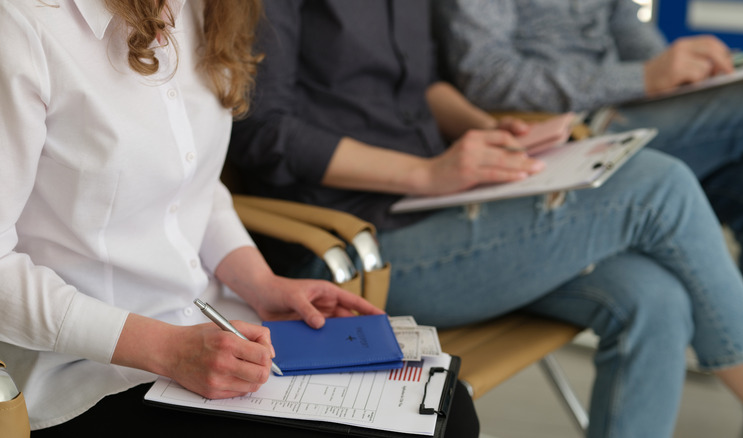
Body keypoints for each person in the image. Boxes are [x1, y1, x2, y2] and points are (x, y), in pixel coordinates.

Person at [227, 1, 743, 437]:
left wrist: (484, 131)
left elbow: (422, 87)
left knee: (655, 296)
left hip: (436, 207)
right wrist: (425, 174)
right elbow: (262, 132)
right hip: (352, 248)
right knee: (657, 185)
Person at [0, 1, 481, 436]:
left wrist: (261, 282)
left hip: (212, 323)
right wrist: (167, 348)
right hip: (86, 370)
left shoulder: (200, 9)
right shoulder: (22, 28)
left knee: (446, 410)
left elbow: (194, 185)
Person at [432, 2, 743, 435]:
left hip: (633, 107)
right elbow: (487, 74)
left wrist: (682, 74)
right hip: (564, 127)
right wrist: (643, 77)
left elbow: (624, 27)